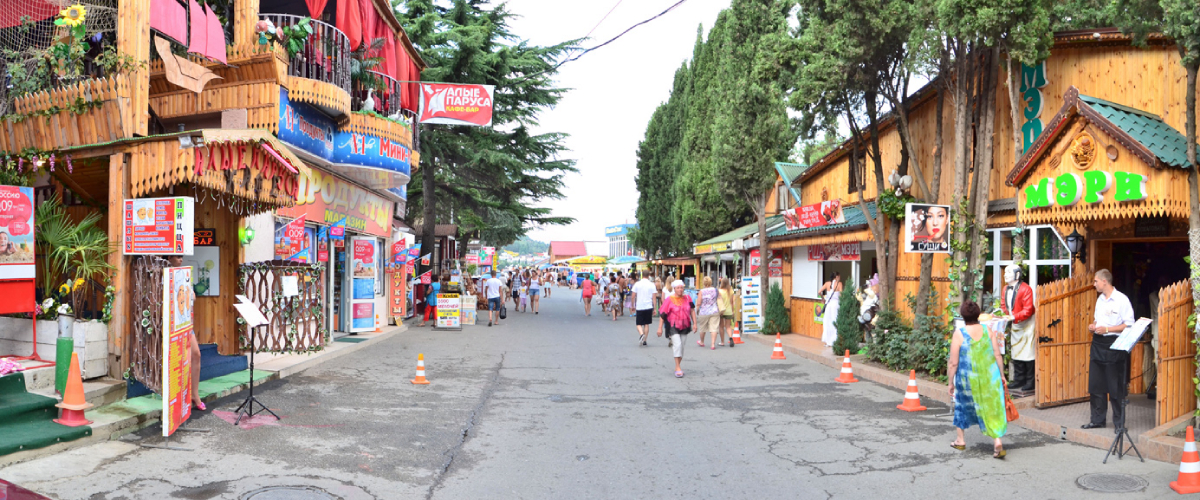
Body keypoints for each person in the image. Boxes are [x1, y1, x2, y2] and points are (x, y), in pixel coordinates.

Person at [948, 300, 1008, 458]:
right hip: (990, 377)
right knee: (991, 407)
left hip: (968, 379)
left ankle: (960, 440)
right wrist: (1002, 375)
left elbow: (953, 362)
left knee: (961, 406)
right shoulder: (988, 330)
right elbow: (997, 354)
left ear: (963, 315)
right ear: (978, 314)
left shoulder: (959, 333)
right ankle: (997, 441)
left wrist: (950, 382)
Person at [1083, 269, 1135, 431]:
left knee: (1115, 386)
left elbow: (1129, 324)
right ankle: (1097, 420)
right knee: (1096, 384)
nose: (1094, 284)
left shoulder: (1122, 300)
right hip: (1098, 343)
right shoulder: (1100, 299)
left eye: (1096, 281)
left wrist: (1107, 329)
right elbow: (1098, 319)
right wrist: (1094, 325)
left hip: (1114, 344)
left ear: (1104, 281)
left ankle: (1119, 424)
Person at [166, 255, 204, 411]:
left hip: (184, 321)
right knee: (177, 360)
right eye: (177, 256)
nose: (181, 259)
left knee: (196, 354)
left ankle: (195, 394)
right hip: (171, 324)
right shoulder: (164, 275)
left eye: (182, 256)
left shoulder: (184, 275)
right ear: (169, 257)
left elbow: (192, 297)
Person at [1000, 265, 1036, 392]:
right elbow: (1004, 305)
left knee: (1028, 353)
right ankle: (1018, 379)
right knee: (1016, 351)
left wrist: (1013, 317)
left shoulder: (1026, 289)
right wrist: (1002, 315)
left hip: (1027, 324)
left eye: (1009, 272)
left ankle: (1030, 381)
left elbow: (1028, 310)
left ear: (1017, 274)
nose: (1005, 275)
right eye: (1005, 272)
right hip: (1015, 323)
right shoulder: (1005, 289)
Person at [657, 280, 696, 378]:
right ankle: (678, 367)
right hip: (673, 325)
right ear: (674, 288)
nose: (680, 289)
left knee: (682, 346)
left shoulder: (688, 298)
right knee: (677, 345)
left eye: (682, 287)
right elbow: (662, 315)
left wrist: (695, 323)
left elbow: (692, 311)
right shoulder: (669, 299)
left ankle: (677, 366)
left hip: (685, 325)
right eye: (678, 288)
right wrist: (660, 328)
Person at [631, 270, 658, 346]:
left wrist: (633, 305)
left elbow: (633, 296)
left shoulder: (637, 284)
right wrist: (655, 308)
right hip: (648, 306)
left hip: (640, 306)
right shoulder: (652, 284)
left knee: (638, 324)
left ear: (642, 275)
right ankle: (645, 340)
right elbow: (654, 298)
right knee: (646, 324)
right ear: (649, 275)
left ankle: (641, 334)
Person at [696, 276, 721, 349]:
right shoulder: (716, 290)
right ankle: (712, 344)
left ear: (704, 283)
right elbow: (719, 298)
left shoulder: (701, 291)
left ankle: (702, 341)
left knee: (702, 328)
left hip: (704, 312)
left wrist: (696, 311)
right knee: (714, 328)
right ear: (711, 282)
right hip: (714, 311)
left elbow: (699, 303)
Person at [819, 273, 843, 347]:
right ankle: (834, 340)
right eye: (839, 276)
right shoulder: (839, 284)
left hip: (828, 304)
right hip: (835, 305)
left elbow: (819, 292)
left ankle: (827, 341)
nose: (840, 278)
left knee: (827, 322)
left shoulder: (827, 283)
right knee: (835, 321)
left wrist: (823, 298)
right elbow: (841, 295)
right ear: (837, 277)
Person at [718, 277, 735, 349]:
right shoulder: (730, 291)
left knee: (721, 326)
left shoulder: (719, 291)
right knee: (728, 326)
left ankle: (722, 342)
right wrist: (733, 311)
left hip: (721, 310)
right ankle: (730, 338)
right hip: (728, 311)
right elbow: (732, 302)